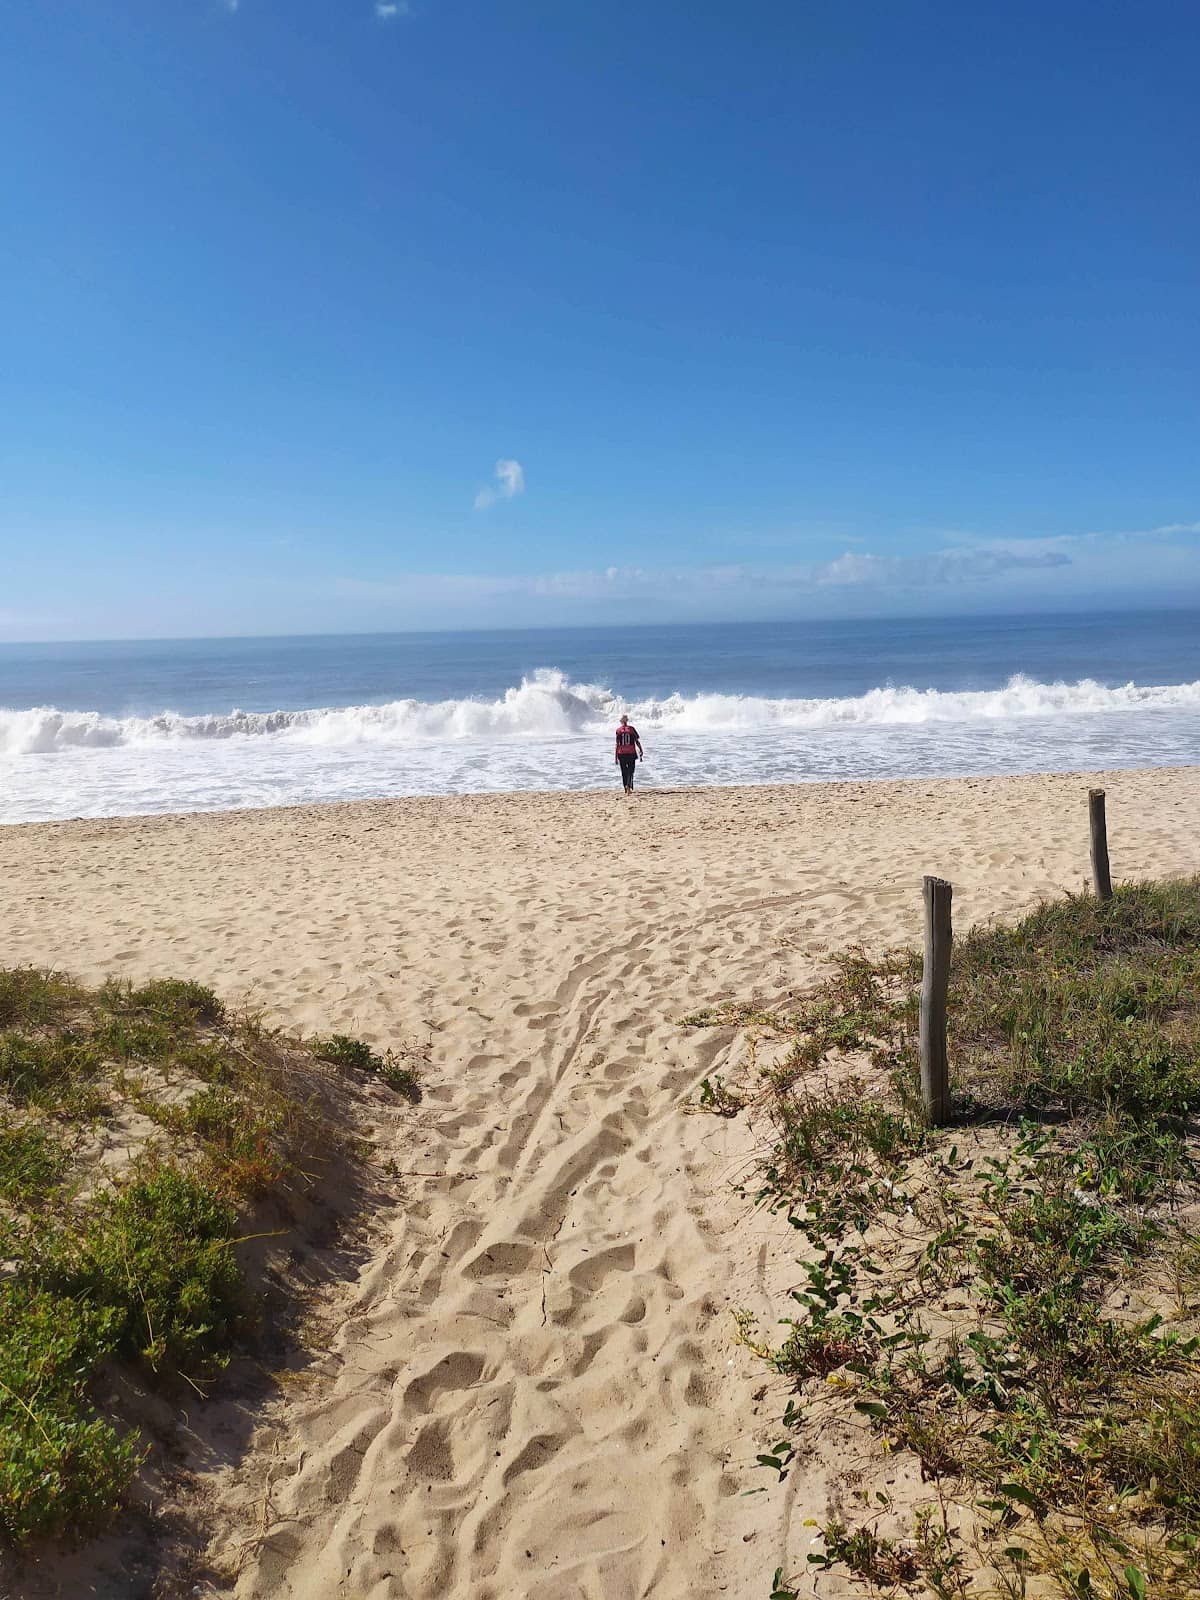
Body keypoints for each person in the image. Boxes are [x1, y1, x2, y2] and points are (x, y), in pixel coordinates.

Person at [614, 714, 644, 793]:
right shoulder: (632, 729)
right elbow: (637, 741)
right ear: (627, 721)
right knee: (631, 771)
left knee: (624, 771)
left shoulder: (618, 730)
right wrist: (641, 750)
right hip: (631, 753)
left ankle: (625, 786)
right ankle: (629, 786)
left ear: (621, 722)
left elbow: (617, 744)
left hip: (621, 753)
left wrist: (616, 757)